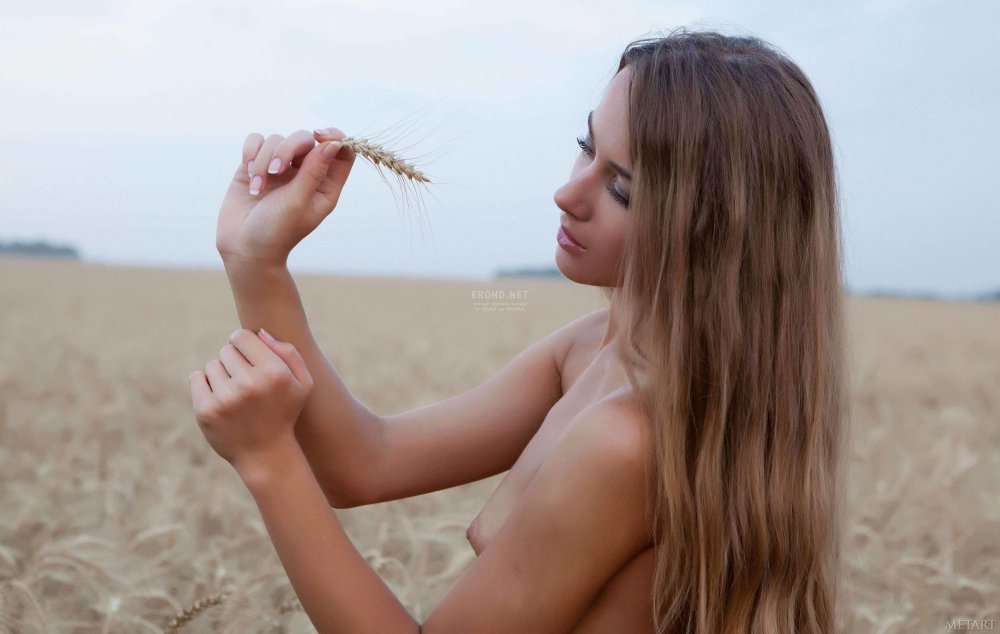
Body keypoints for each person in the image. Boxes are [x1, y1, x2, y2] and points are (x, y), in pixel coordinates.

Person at [188, 26, 848, 633]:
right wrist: (255, 263)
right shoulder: (594, 347)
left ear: (711, 232)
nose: (569, 194)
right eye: (587, 147)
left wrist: (269, 462)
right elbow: (365, 461)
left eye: (621, 187)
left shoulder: (632, 441)